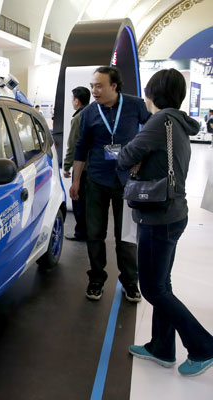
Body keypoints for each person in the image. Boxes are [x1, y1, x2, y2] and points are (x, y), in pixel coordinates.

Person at [118, 68, 213, 377]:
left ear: (152, 93)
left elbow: (128, 154)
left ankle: (203, 346)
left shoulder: (161, 120)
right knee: (162, 283)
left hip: (158, 217)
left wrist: (124, 153)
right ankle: (162, 346)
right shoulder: (179, 123)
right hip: (173, 213)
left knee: (153, 289)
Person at [70, 66, 150, 302]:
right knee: (95, 233)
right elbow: (81, 148)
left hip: (127, 181)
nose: (94, 90)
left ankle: (130, 282)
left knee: (125, 235)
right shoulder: (88, 114)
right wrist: (76, 181)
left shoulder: (135, 105)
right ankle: (96, 279)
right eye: (92, 85)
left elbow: (152, 131)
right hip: (96, 179)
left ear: (114, 86)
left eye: (99, 86)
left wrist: (142, 158)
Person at [63, 86, 90, 241]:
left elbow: (73, 145)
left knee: (78, 200)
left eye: (72, 99)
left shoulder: (79, 118)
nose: (72, 102)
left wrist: (66, 166)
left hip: (81, 168)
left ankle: (81, 233)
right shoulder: (94, 113)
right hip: (93, 167)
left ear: (77, 101)